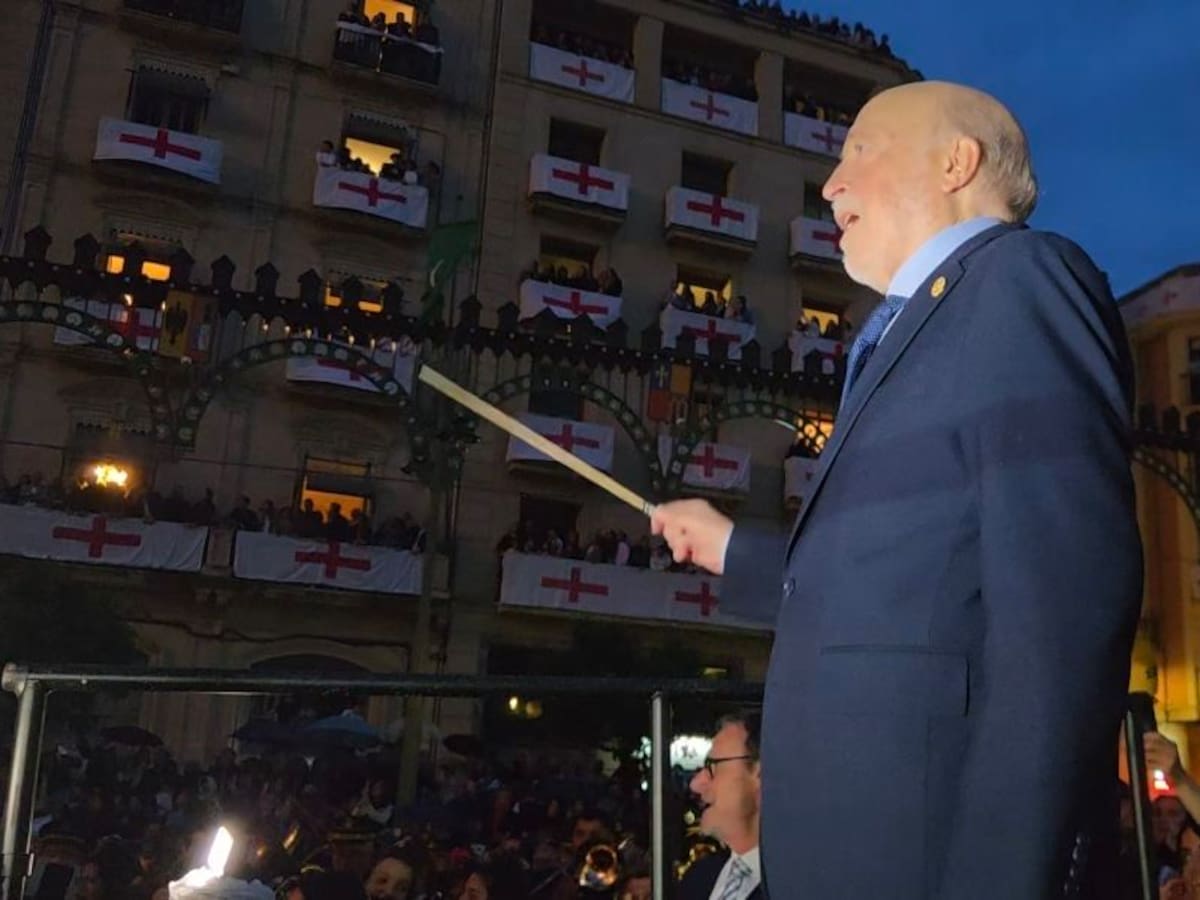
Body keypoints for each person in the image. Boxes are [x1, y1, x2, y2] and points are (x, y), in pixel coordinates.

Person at [650, 80, 1142, 898]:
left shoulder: (1020, 277)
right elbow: (911, 588)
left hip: (931, 854)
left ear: (957, 162)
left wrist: (1004, 876)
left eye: (859, 152)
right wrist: (733, 547)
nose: (832, 184)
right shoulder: (911, 331)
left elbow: (1064, 605)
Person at [678, 713, 765, 900]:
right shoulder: (699, 876)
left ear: (760, 773)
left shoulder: (807, 884)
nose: (695, 783)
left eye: (712, 766)